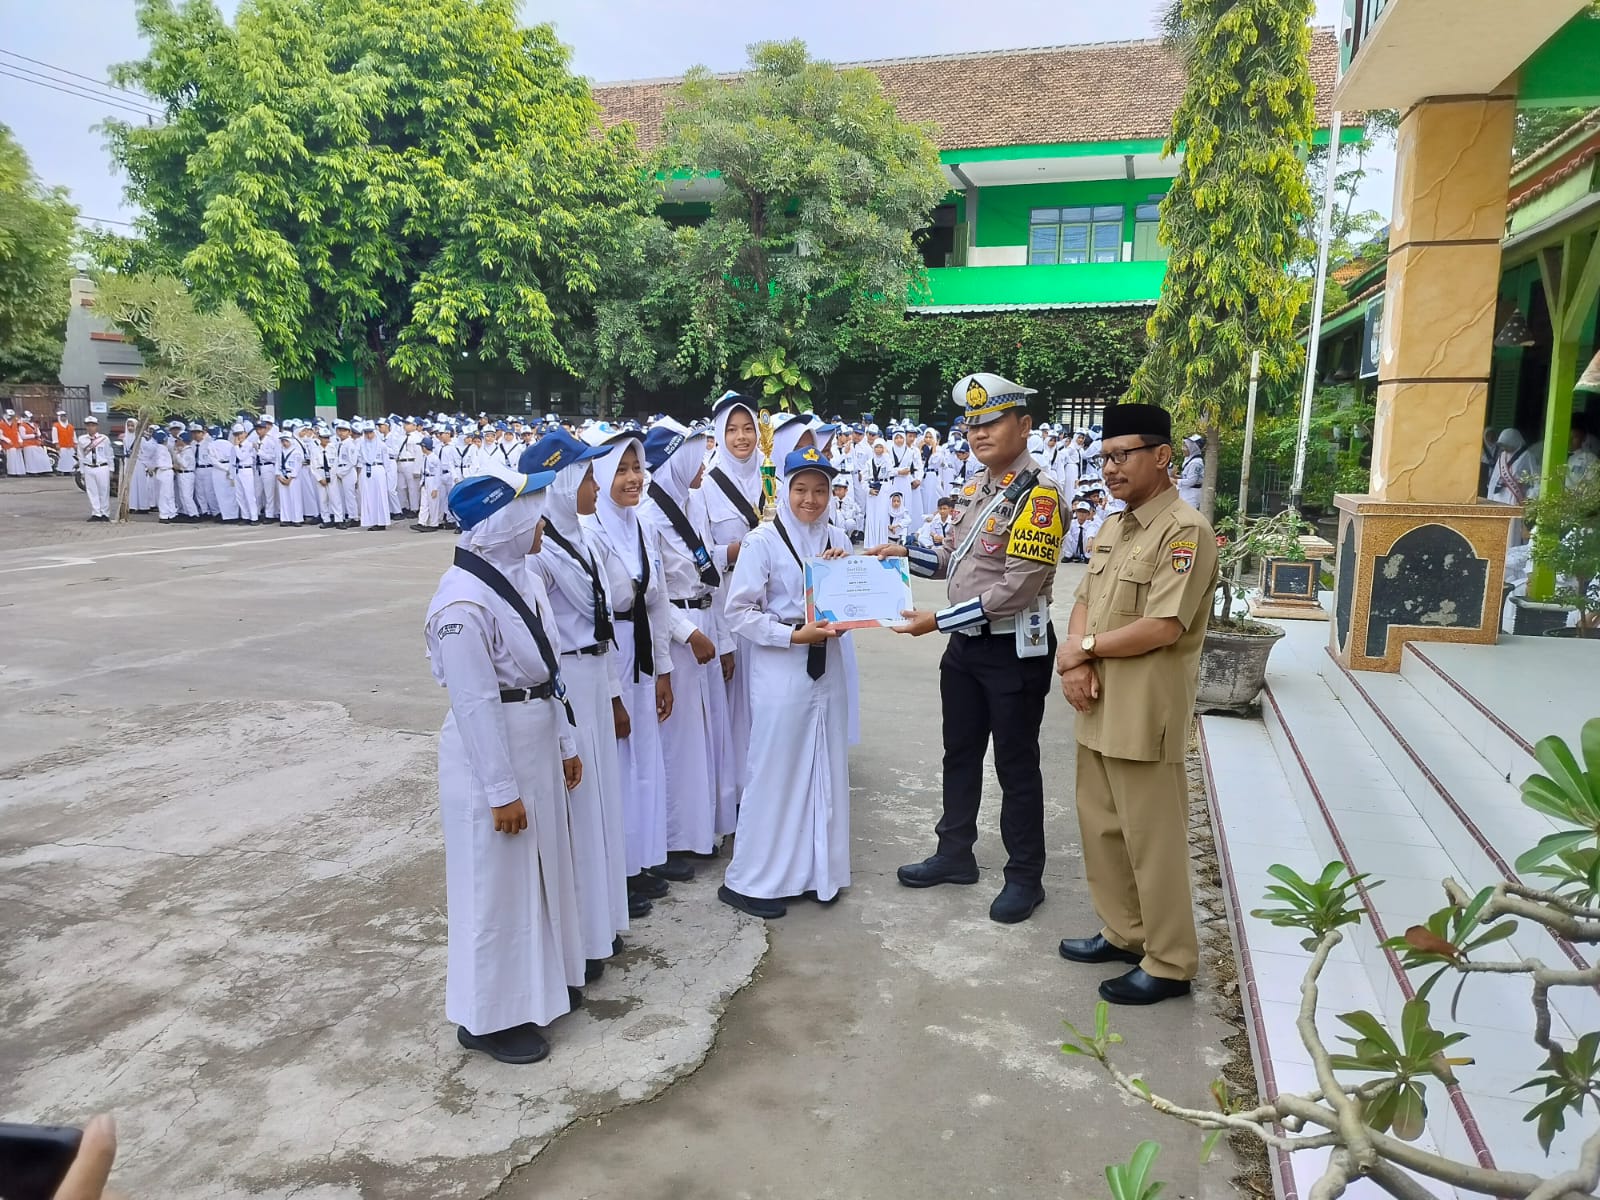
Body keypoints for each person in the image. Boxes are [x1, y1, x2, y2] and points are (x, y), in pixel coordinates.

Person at [870, 372, 1064, 925]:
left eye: (992, 422)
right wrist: (901, 555)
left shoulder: (1040, 496)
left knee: (1015, 765)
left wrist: (937, 621)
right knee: (959, 752)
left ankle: (1024, 876)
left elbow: (1017, 589)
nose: (979, 434)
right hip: (965, 649)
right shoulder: (981, 487)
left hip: (1012, 651)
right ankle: (955, 853)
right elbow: (954, 560)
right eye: (973, 425)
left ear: (1023, 426)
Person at [1055, 402, 1217, 1007]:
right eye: (1104, 457)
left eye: (1122, 455)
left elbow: (1164, 625)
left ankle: (1171, 961)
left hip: (1145, 710)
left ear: (1162, 456)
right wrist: (1078, 659)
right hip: (1097, 701)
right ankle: (1126, 933)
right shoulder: (1114, 527)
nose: (1110, 468)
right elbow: (1083, 599)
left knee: (1153, 841)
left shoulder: (1184, 531)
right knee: (1102, 829)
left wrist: (1081, 651)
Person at [424, 461, 585, 1065]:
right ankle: (487, 1018)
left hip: (534, 737)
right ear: (504, 523)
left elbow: (550, 669)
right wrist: (500, 791)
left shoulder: (520, 575)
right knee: (494, 889)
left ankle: (535, 992)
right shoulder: (461, 604)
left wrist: (565, 743)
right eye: (530, 513)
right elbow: (473, 703)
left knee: (536, 878)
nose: (541, 523)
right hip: (492, 755)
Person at [719, 448, 855, 918]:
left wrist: (844, 580)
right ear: (784, 490)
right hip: (782, 663)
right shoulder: (762, 542)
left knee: (824, 762)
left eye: (820, 490)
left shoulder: (838, 538)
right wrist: (792, 635)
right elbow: (738, 612)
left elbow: (853, 604)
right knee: (774, 767)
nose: (810, 500)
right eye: (800, 489)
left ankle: (817, 872)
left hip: (827, 661)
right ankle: (750, 881)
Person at [525, 428, 630, 976]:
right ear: (563, 484)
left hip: (594, 674)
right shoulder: (538, 551)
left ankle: (601, 927)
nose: (595, 486)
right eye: (587, 477)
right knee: (575, 814)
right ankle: (578, 943)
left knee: (600, 807)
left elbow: (604, 620)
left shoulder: (586, 536)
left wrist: (614, 695)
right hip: (566, 681)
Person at [585, 430, 677, 913]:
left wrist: (664, 670)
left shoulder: (640, 525)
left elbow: (657, 600)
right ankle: (616, 871)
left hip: (641, 652)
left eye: (637, 467)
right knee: (619, 765)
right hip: (615, 653)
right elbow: (595, 620)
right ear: (600, 475)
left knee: (644, 759)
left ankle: (640, 859)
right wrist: (612, 694)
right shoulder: (591, 532)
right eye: (620, 470)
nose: (633, 478)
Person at [639, 418, 725, 868]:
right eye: (695, 457)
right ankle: (672, 839)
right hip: (675, 633)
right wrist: (688, 633)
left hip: (704, 618)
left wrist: (720, 637)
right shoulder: (649, 514)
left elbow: (707, 571)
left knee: (703, 735)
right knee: (676, 740)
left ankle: (700, 829)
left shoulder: (693, 501)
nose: (702, 466)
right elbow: (651, 592)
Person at [79, 415, 114, 521]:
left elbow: (109, 454)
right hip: (89, 467)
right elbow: (80, 456)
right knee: (92, 491)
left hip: (101, 466)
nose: (90, 427)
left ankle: (105, 513)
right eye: (88, 425)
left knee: (104, 491)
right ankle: (96, 513)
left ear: (97, 426)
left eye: (93, 425)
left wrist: (111, 469)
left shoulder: (104, 439)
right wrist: (82, 471)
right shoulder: (82, 439)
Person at [357, 422, 391, 530]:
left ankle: (382, 522)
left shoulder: (381, 445)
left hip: (378, 468)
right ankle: (371, 520)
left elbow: (386, 462)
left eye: (370, 432)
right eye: (366, 433)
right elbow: (359, 460)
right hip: (366, 469)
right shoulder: (361, 445)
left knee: (380, 495)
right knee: (368, 496)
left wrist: (386, 474)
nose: (368, 435)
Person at [1176, 434, 1205, 509]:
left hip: (1191, 496)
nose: (1183, 449)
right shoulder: (1189, 459)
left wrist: (1175, 481)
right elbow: (1187, 476)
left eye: (1186, 446)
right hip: (1185, 493)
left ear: (1193, 448)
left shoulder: (1196, 463)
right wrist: (1176, 477)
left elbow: (1191, 481)